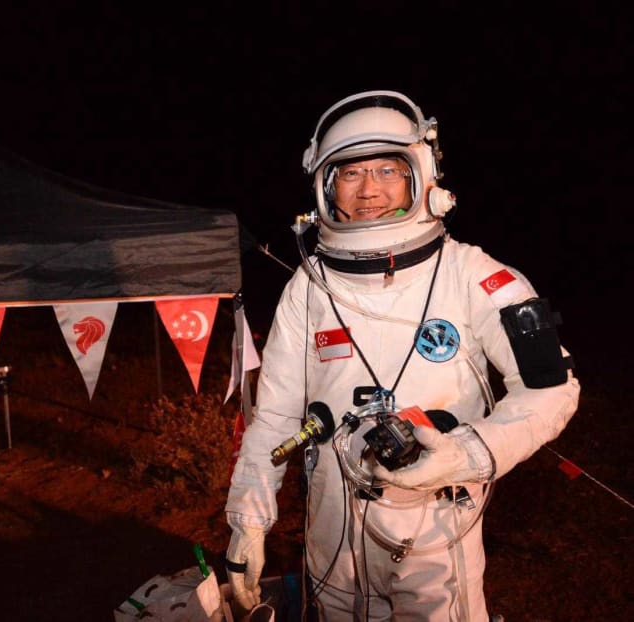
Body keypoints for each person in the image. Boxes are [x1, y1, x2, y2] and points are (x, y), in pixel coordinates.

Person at [224, 90, 580, 621]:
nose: (368, 189)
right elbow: (275, 414)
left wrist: (468, 454)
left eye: (387, 170)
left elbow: (552, 390)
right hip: (332, 533)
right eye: (350, 173)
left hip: (437, 533)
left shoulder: (476, 276)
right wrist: (248, 521)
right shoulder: (310, 286)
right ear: (325, 186)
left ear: (422, 176)